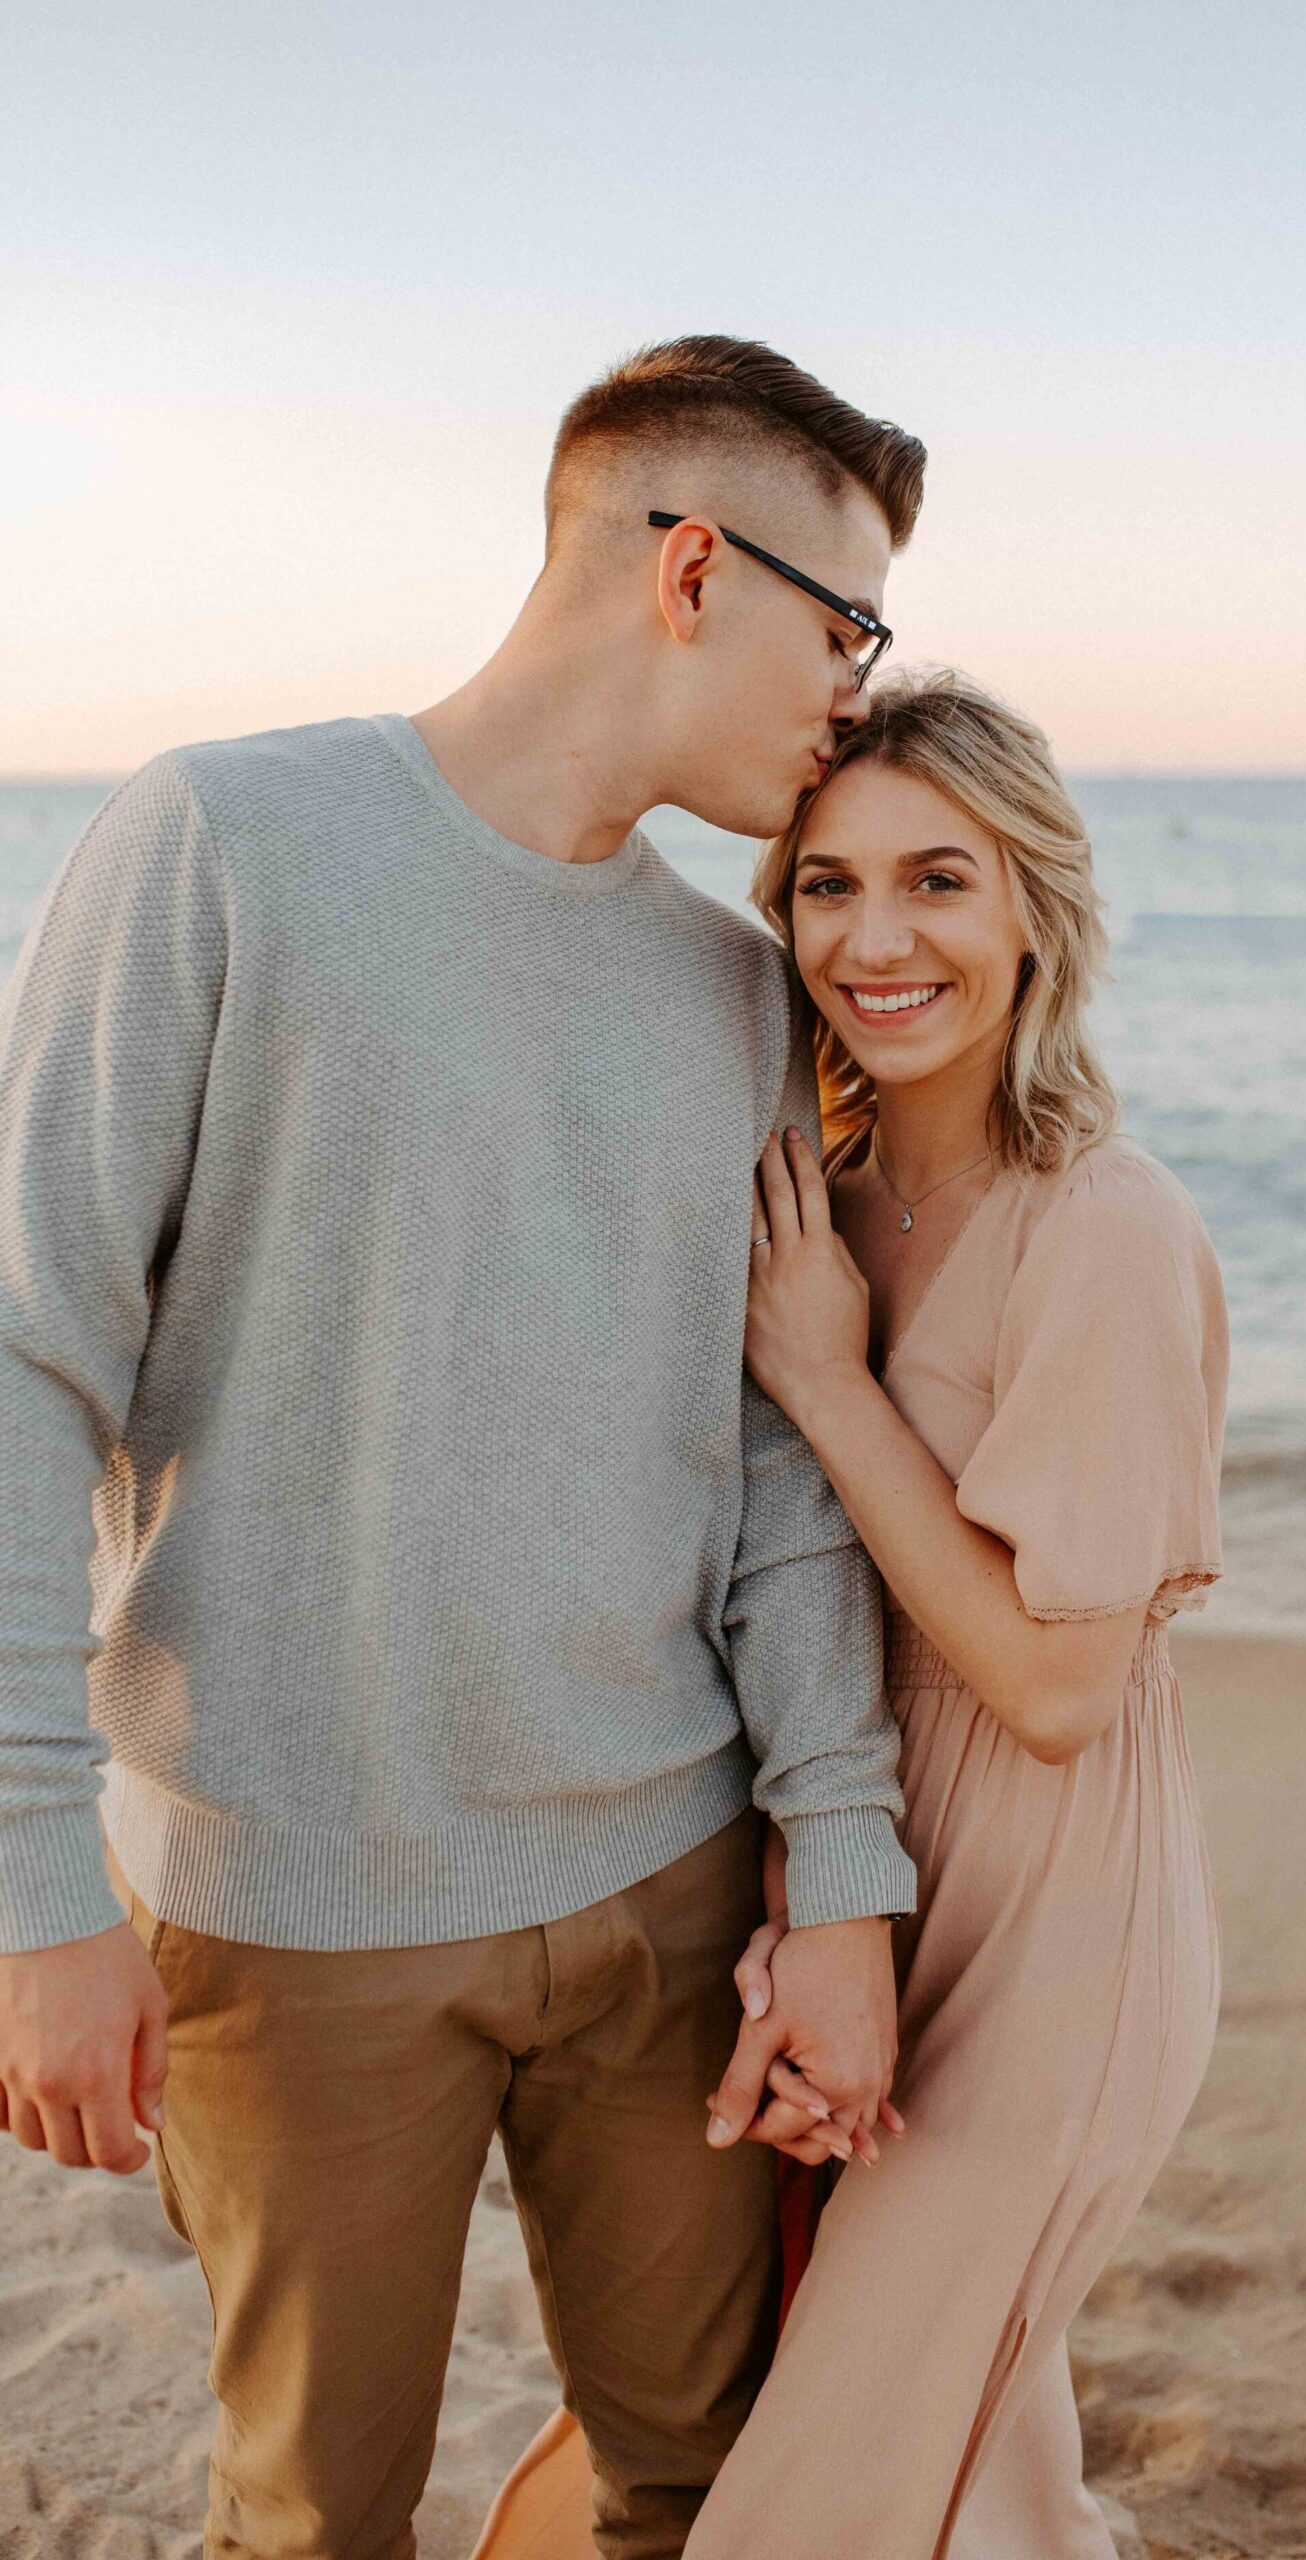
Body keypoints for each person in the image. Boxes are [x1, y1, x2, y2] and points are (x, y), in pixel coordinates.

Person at [0, 335, 930, 2560]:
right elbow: (26, 1350)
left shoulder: (732, 990)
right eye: (850, 628)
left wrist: (842, 1865)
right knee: (318, 2516)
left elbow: (775, 1464)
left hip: (668, 1894)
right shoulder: (224, 838)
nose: (863, 693)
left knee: (708, 2488)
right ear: (693, 566)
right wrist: (38, 1881)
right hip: (297, 1911)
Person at [482, 669, 1228, 2559]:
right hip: (845, 1874)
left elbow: (1060, 1686)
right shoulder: (805, 1189)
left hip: (1055, 1928)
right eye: (824, 886)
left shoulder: (1102, 1230)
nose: (873, 940)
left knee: (837, 2457)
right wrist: (808, 1898)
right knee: (928, 2443)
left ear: (1033, 910)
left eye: (938, 882)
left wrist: (830, 1384)